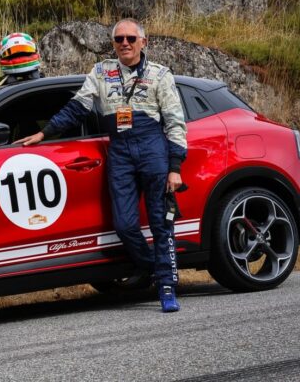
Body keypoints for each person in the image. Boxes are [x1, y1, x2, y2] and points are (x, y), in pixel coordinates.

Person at [15, 18, 187, 312]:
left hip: (152, 147)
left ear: (143, 42)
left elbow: (174, 122)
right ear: (113, 43)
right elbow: (77, 107)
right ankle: (157, 269)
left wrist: (175, 166)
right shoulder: (102, 71)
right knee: (124, 224)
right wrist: (46, 133)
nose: (125, 43)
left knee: (160, 221)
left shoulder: (160, 75)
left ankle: (167, 288)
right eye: (119, 38)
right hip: (119, 148)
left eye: (131, 38)